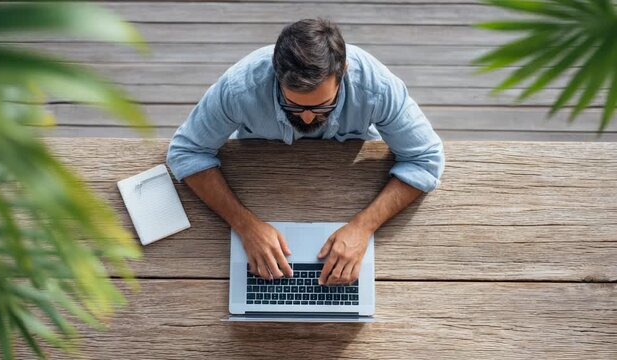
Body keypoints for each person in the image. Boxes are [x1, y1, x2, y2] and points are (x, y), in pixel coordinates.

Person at [167, 18, 444, 286]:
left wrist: (363, 227)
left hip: (352, 192)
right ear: (276, 76)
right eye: (294, 106)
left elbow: (426, 160)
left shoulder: (377, 87)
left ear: (343, 71)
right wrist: (245, 226)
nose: (309, 119)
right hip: (256, 185)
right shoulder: (240, 87)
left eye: (323, 106)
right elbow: (185, 152)